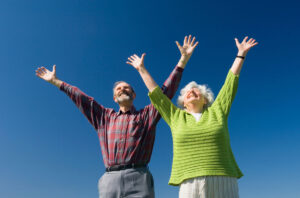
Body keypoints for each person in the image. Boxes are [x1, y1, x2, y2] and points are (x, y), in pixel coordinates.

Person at [35, 35, 198, 198]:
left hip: (139, 177)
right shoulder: (104, 117)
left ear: (134, 95)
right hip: (109, 181)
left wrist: (182, 61)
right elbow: (82, 98)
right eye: (119, 88)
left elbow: (164, 93)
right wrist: (57, 82)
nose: (122, 89)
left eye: (127, 88)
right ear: (114, 98)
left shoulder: (146, 115)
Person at [127, 36, 258, 198]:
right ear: (183, 102)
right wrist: (141, 68)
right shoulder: (175, 116)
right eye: (188, 91)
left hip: (223, 178)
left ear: (205, 99)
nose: (192, 91)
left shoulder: (218, 110)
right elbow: (157, 95)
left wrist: (241, 54)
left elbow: (230, 84)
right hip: (189, 182)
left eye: (197, 90)